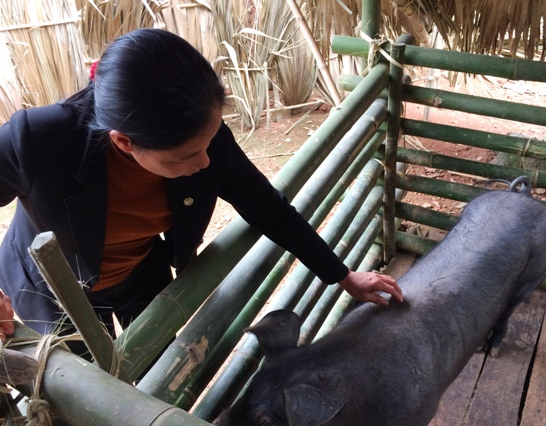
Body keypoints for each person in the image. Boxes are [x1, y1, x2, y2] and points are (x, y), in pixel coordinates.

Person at [0, 28, 402, 354]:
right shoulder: (39, 140)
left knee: (153, 362)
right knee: (83, 393)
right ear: (124, 143)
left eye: (209, 144)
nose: (206, 163)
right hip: (55, 291)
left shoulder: (204, 139)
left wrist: (342, 275)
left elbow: (269, 209)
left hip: (141, 272)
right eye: (185, 157)